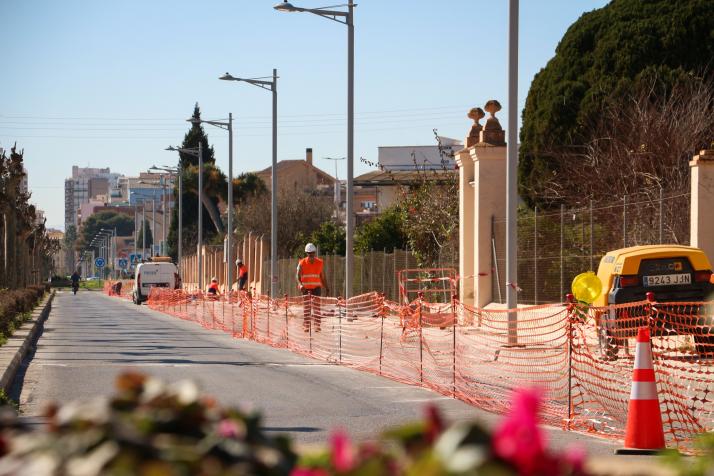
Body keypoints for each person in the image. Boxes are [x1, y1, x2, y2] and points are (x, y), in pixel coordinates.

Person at [296, 243, 329, 332]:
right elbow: (297, 276)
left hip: (316, 288)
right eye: (309, 253)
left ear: (315, 253)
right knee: (307, 308)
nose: (311, 255)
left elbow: (323, 276)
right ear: (306, 253)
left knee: (317, 307)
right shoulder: (301, 263)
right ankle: (306, 325)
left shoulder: (320, 262)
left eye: (312, 253)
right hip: (305, 289)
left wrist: (327, 287)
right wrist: (300, 285)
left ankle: (317, 325)